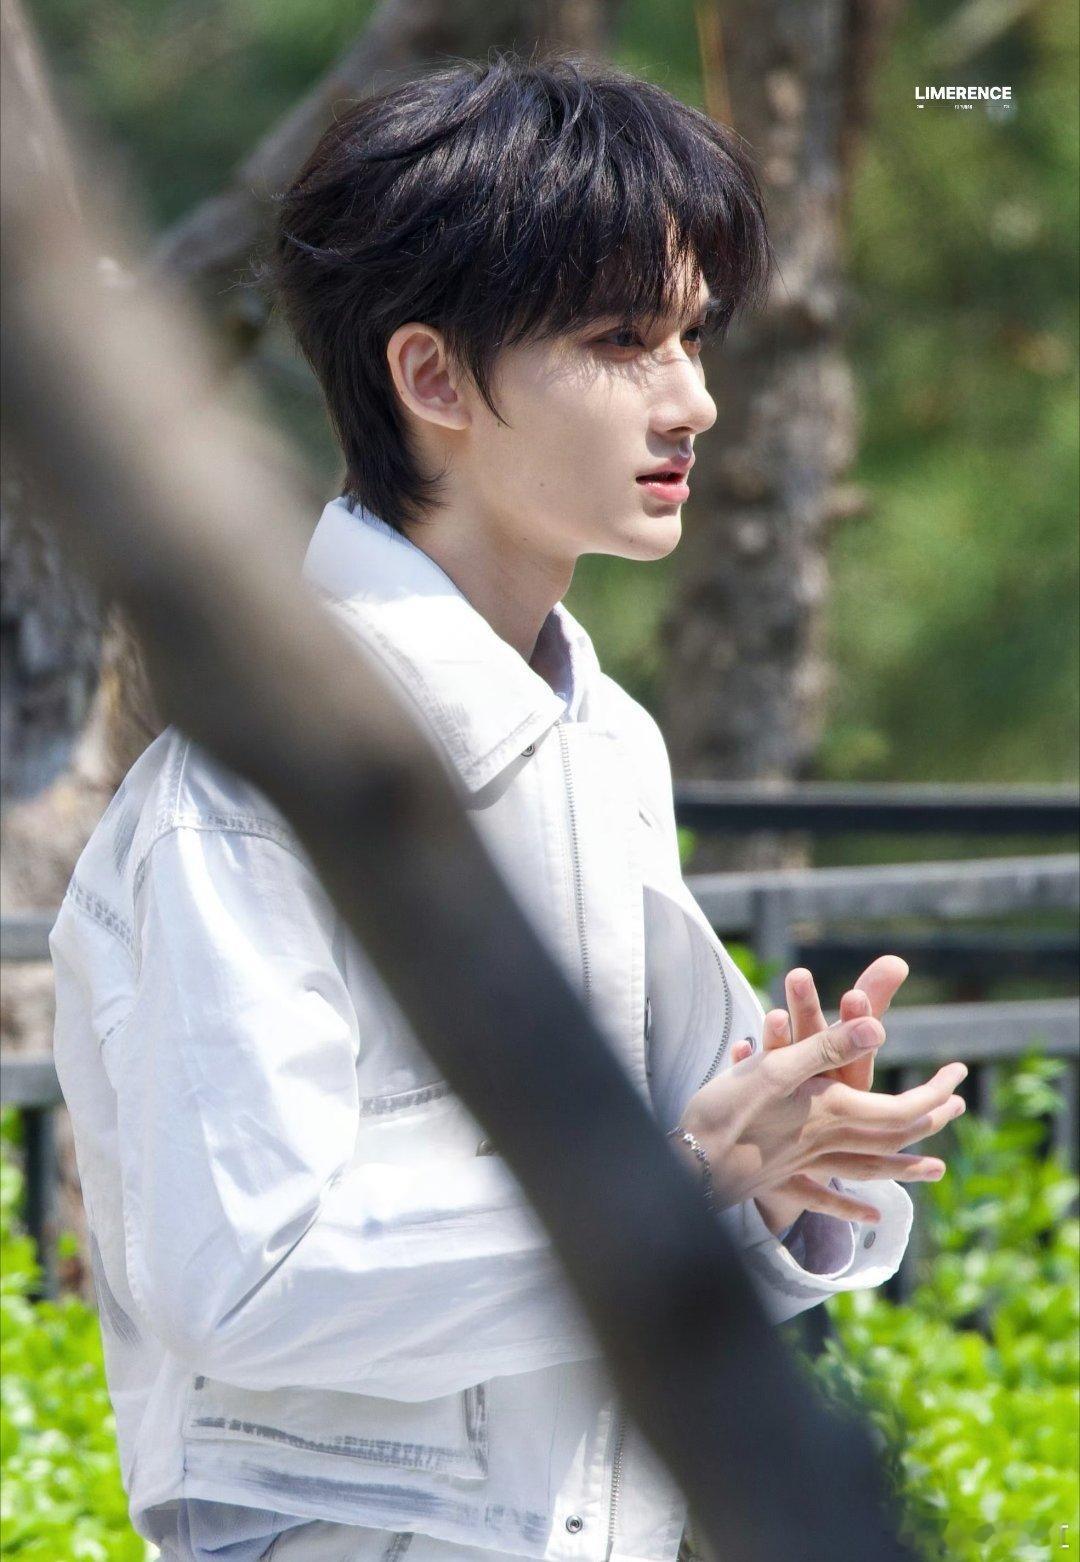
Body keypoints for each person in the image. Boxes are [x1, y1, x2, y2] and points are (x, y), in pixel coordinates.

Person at [50, 52, 967, 1562]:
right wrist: (682, 1180)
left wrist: (793, 1156)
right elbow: (240, 1277)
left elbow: (682, 1199)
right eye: (622, 340)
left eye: (693, 335)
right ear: (431, 379)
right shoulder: (240, 799)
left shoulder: (605, 743)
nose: (694, 399)